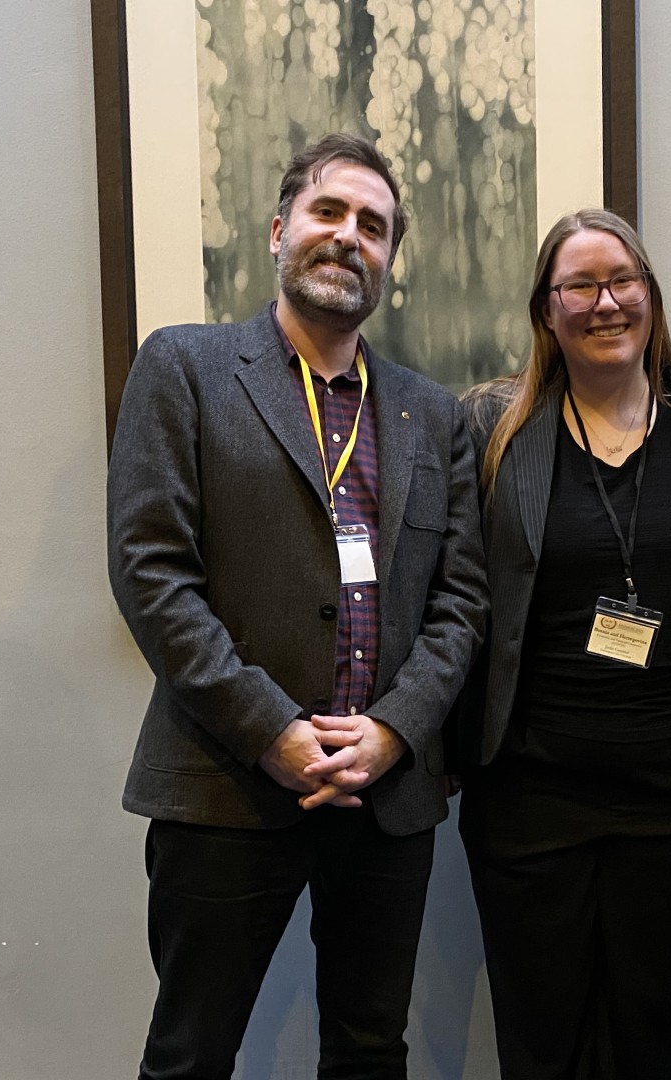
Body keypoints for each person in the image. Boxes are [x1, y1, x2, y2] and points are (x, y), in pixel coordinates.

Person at [106, 132, 487, 1080]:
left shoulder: (431, 414)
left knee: (368, 1052)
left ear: (389, 262)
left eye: (374, 226)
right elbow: (151, 572)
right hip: (227, 780)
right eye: (329, 213)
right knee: (191, 1052)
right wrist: (271, 729)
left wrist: (394, 731)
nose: (348, 237)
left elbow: (461, 601)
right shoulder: (185, 369)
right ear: (280, 230)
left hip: (385, 792)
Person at [454, 208, 671, 1080]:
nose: (605, 302)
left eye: (623, 281)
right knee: (539, 1037)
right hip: (527, 791)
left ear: (651, 298)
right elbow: (455, 595)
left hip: (670, 794)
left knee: (651, 1032)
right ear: (547, 310)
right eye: (579, 286)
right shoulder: (492, 427)